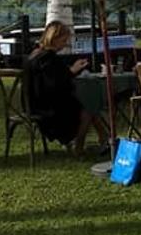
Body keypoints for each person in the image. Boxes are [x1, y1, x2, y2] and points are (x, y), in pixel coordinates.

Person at [24, 21, 107, 155]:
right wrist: (72, 71)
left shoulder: (35, 54)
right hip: (47, 108)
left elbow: (52, 79)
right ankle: (79, 145)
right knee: (88, 108)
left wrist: (70, 72)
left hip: (34, 104)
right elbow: (55, 84)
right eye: (63, 40)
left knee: (86, 104)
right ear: (54, 39)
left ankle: (104, 138)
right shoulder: (47, 58)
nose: (65, 44)